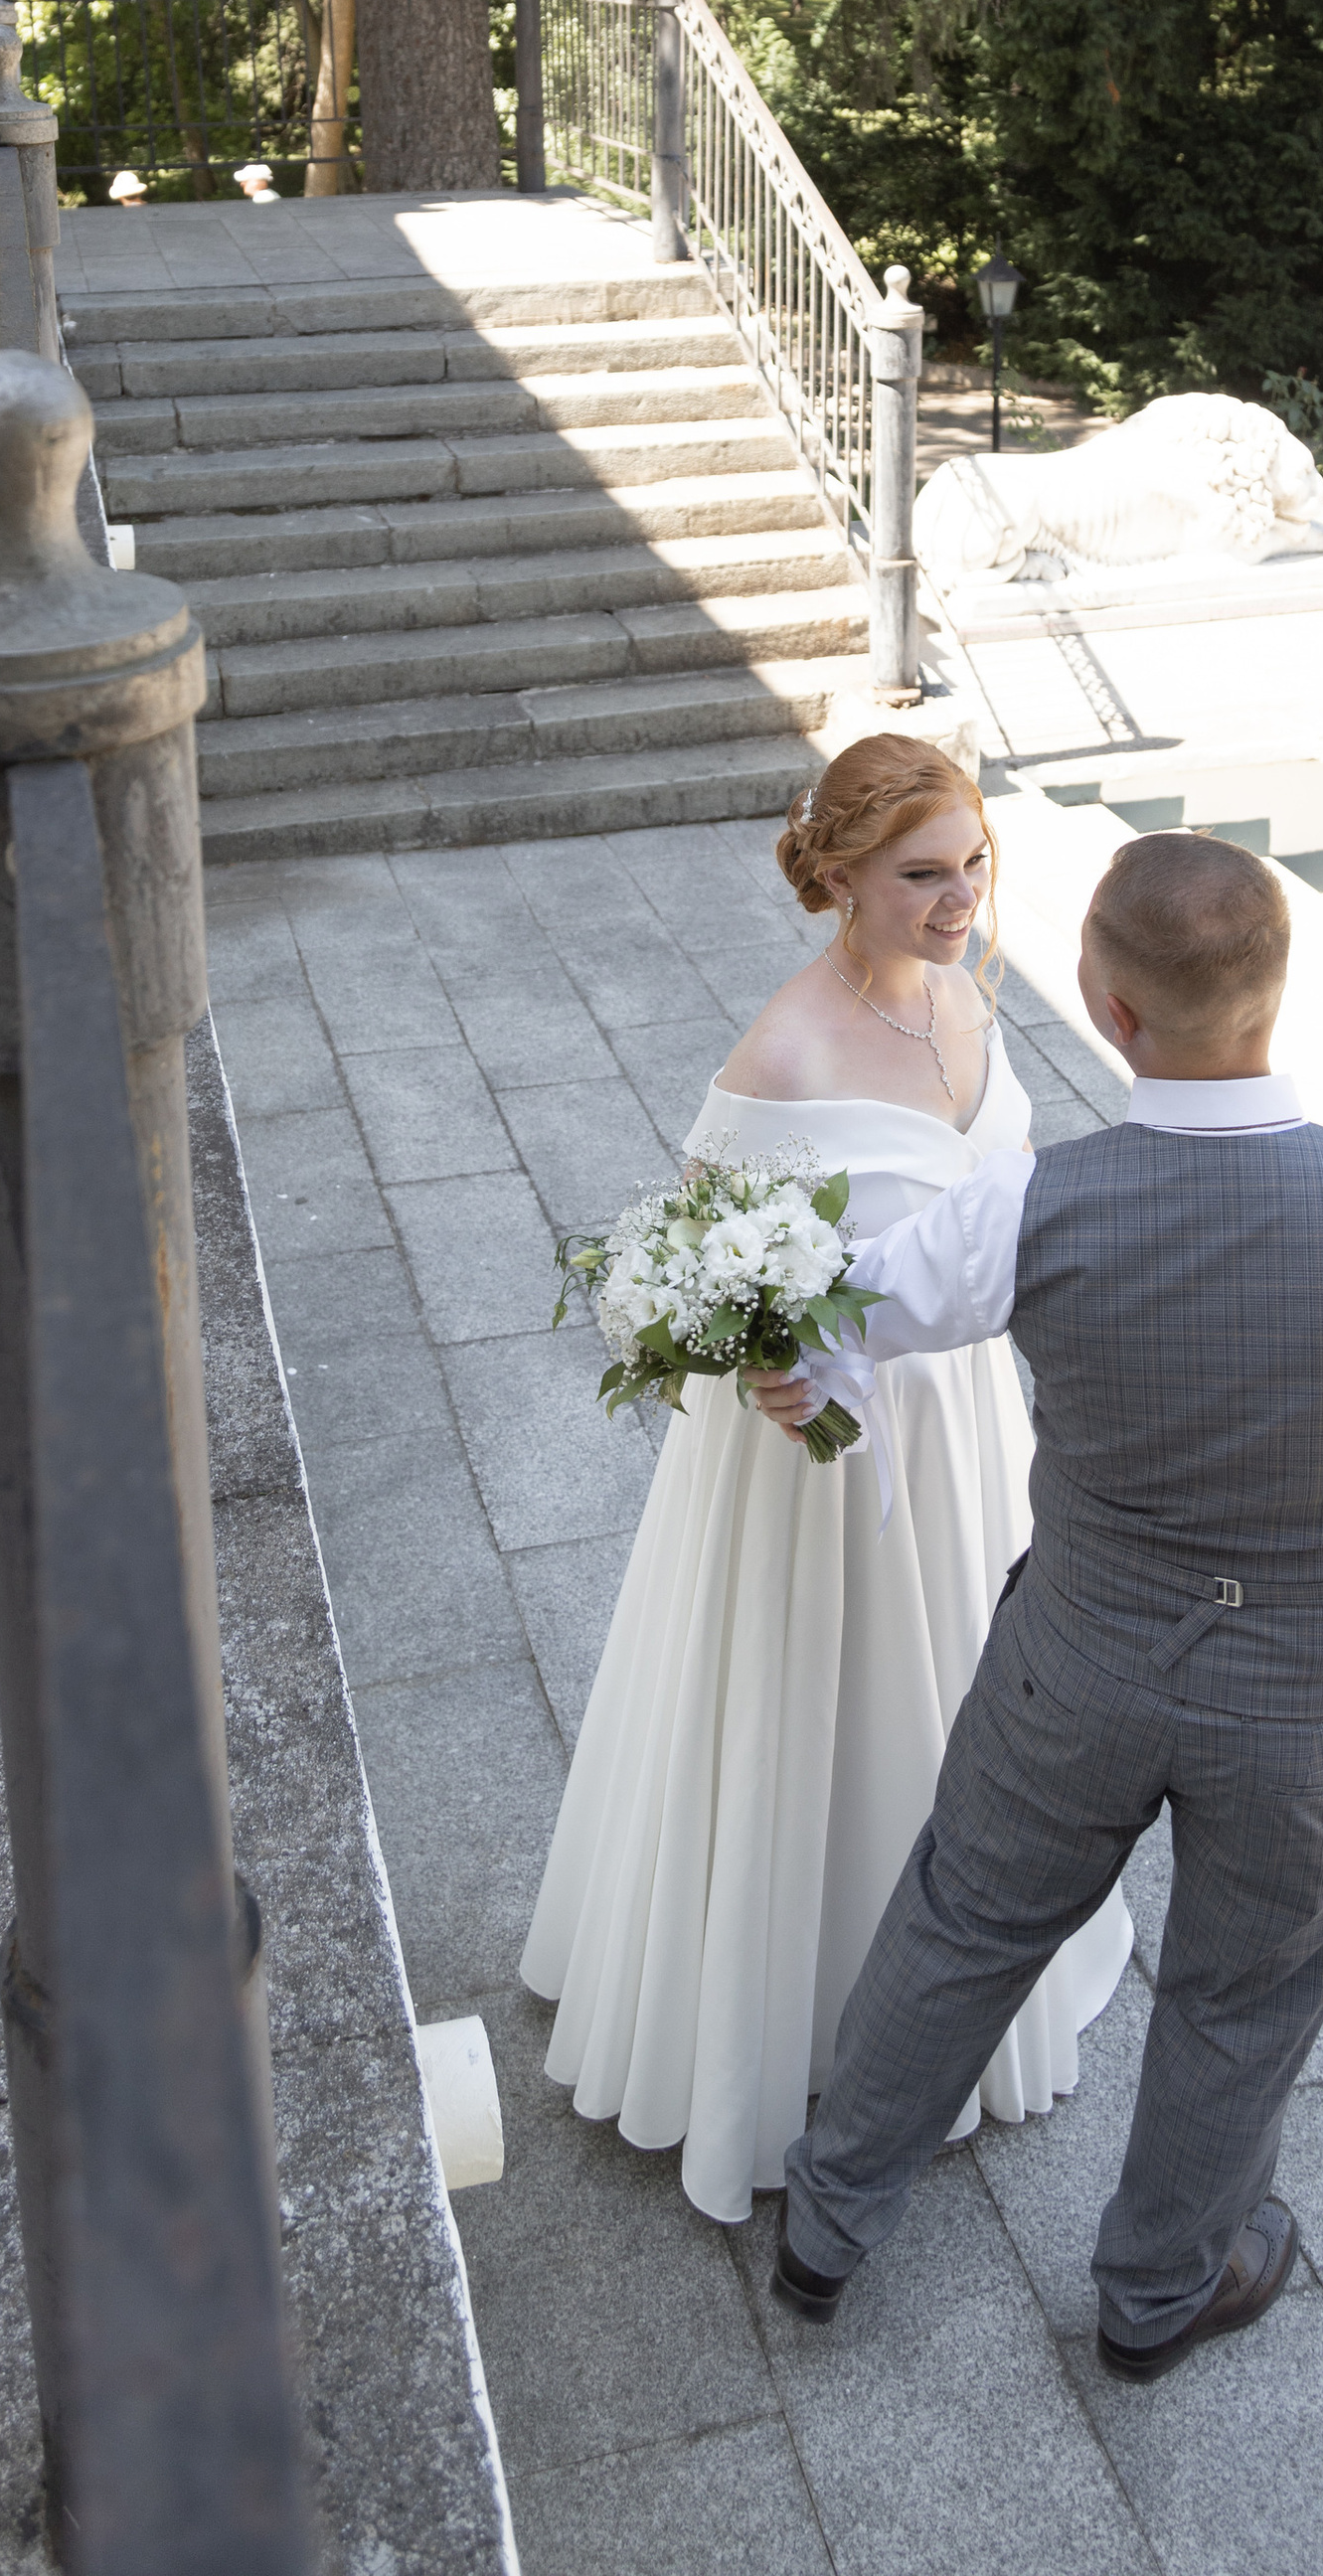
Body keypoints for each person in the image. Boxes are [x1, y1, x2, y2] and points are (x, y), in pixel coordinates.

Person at [751, 828, 1323, 2379]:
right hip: (1315, 1707)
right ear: (1275, 991)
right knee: (1244, 1999)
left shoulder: (1033, 1204)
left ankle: (830, 2227)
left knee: (968, 1918)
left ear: (1107, 1008)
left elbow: (849, 1319)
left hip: (1080, 1664)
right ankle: (1161, 2290)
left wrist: (788, 1358)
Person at [520, 736, 1133, 2222]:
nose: (959, 900)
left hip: (965, 1431)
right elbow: (689, 1275)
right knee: (821, 1712)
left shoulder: (967, 1002)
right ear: (841, 875)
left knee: (964, 1709)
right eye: (923, 875)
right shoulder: (780, 1059)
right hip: (827, 1463)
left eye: (974, 866)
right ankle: (783, 2018)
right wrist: (761, 1366)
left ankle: (961, 1979)